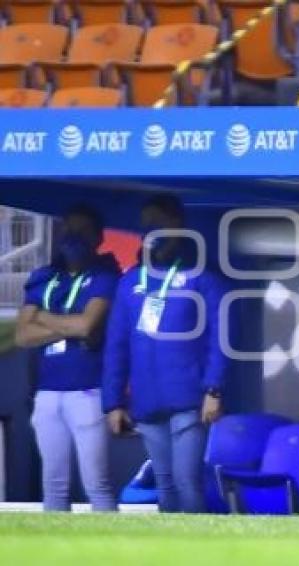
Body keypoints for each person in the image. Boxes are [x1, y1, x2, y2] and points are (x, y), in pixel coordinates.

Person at [102, 194, 227, 513]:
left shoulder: (202, 277)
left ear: (177, 225)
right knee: (164, 482)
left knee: (187, 480)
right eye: (145, 224)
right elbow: (116, 344)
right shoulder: (130, 282)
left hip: (189, 397)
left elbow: (221, 337)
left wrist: (214, 388)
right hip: (146, 399)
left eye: (157, 222)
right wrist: (113, 401)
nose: (149, 230)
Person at [15, 204, 119, 512]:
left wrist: (44, 318)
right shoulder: (44, 276)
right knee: (53, 484)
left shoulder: (105, 274)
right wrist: (68, 326)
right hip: (47, 392)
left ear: (98, 237)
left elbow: (87, 325)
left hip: (87, 390)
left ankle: (117, 553)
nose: (73, 236)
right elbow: (22, 335)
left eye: (82, 229)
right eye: (68, 228)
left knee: (96, 483)